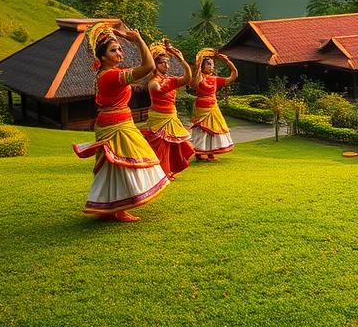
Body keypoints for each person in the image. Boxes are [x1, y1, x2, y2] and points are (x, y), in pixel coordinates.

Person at [73, 22, 169, 222]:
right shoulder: (112, 76)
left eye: (119, 49)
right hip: (117, 125)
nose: (119, 53)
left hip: (115, 122)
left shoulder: (107, 75)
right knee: (126, 163)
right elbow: (149, 67)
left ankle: (112, 207)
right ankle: (120, 207)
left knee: (116, 166)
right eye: (113, 50)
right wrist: (138, 40)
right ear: (102, 57)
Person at [141, 40, 195, 179]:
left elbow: (188, 78)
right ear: (154, 64)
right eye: (161, 62)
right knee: (161, 146)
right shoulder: (153, 81)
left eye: (167, 62)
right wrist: (167, 84)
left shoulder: (169, 79)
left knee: (174, 145)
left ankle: (168, 170)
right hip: (159, 117)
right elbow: (158, 89)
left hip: (171, 116)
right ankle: (160, 173)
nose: (166, 65)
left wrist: (181, 59)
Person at [190, 48, 238, 161]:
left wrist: (227, 61)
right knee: (201, 130)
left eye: (212, 64)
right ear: (203, 66)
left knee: (214, 130)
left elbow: (234, 75)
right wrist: (198, 66)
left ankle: (211, 153)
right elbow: (194, 84)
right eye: (208, 64)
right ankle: (198, 153)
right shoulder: (199, 77)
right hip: (201, 107)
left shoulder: (215, 79)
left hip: (213, 106)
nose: (211, 66)